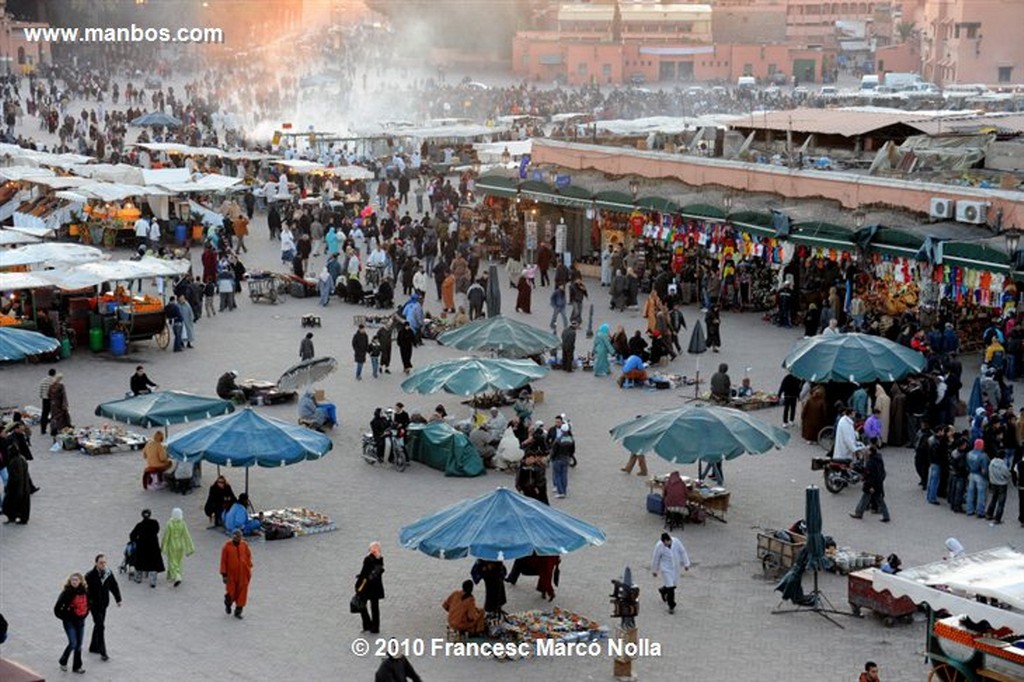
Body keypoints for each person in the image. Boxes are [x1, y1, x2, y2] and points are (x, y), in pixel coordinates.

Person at [84, 554, 121, 662]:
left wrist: (118, 599)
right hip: (94, 606)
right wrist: (89, 604)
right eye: (101, 562)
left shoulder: (108, 573)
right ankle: (102, 651)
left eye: (105, 562)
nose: (103, 564)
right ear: (96, 563)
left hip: (104, 604)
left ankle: (93, 647)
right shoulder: (89, 576)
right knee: (101, 626)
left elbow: (114, 586)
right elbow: (86, 592)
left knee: (98, 625)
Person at [54, 573, 90, 673]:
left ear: (81, 581)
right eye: (72, 580)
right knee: (73, 643)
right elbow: (57, 608)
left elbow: (88, 604)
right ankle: (63, 661)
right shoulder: (66, 593)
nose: (74, 581)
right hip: (69, 622)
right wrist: (65, 617)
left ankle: (77, 667)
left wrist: (85, 614)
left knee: (79, 645)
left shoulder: (85, 592)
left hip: (80, 621)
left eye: (76, 580)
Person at [651, 533, 690, 615]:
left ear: (669, 540)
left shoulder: (676, 542)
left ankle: (663, 590)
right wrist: (655, 570)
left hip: (675, 567)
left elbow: (683, 552)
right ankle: (671, 605)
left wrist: (686, 564)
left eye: (666, 543)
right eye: (664, 543)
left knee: (673, 585)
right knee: (670, 587)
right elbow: (656, 558)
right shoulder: (659, 546)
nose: (665, 544)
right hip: (666, 569)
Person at [849, 446, 890, 522]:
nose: (865, 452)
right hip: (878, 484)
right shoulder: (878, 460)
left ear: (870, 452)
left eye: (866, 451)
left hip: (872, 485)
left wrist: (870, 486)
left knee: (866, 498)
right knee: (878, 500)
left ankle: (859, 513)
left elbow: (871, 475)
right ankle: (886, 515)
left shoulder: (870, 463)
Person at [220, 530, 253, 619]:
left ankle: (238, 610)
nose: (238, 538)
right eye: (236, 536)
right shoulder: (227, 547)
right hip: (231, 575)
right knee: (231, 592)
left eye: (240, 536)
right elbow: (223, 561)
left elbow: (248, 556)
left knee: (242, 592)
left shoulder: (244, 545)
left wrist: (249, 566)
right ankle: (228, 603)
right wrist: (224, 574)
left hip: (243, 573)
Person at [129, 509, 164, 587]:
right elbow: (157, 530)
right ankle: (152, 581)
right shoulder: (155, 523)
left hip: (142, 547)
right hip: (153, 546)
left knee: (140, 562)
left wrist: (136, 540)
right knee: (153, 563)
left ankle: (138, 578)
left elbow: (132, 535)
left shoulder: (139, 525)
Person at [161, 508, 195, 587]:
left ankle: (177, 576)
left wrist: (163, 547)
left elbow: (166, 536)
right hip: (180, 545)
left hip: (172, 546)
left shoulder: (169, 523)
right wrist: (190, 547)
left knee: (172, 562)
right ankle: (170, 576)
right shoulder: (182, 523)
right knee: (179, 562)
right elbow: (187, 536)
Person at [356, 542, 385, 634]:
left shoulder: (368, 559)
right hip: (376, 587)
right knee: (375, 607)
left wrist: (358, 582)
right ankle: (375, 627)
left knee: (362, 604)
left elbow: (364, 572)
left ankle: (367, 624)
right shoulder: (380, 559)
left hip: (366, 586)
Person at [1, 445, 30, 524]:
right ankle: (21, 518)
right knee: (23, 504)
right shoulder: (21, 459)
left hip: (16, 488)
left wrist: (9, 487)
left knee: (8, 504)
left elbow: (15, 477)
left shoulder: (14, 461)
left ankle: (13, 517)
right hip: (23, 487)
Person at [965, 438, 989, 516]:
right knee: (981, 494)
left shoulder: (969, 453)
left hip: (971, 474)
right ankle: (980, 511)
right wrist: (987, 477)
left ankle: (969, 509)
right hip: (980, 476)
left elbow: (967, 465)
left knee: (970, 492)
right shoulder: (983, 456)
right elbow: (984, 469)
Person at [550, 423, 574, 498]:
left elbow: (554, 451)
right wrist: (569, 456)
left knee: (557, 475)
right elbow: (573, 450)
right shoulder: (571, 439)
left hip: (557, 459)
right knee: (564, 475)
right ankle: (564, 490)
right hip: (566, 458)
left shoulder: (558, 440)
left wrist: (552, 458)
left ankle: (560, 492)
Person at [986, 452, 1011, 524]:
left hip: (994, 483)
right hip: (1002, 484)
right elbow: (1006, 474)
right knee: (1001, 502)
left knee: (993, 499)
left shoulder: (992, 462)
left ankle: (989, 514)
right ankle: (997, 518)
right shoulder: (1002, 465)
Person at [39, 367, 56, 435]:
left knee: (44, 414)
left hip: (45, 399)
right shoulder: (54, 381)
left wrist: (42, 396)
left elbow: (40, 391)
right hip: (52, 400)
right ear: (54, 374)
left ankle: (43, 429)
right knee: (53, 415)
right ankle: (53, 430)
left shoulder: (43, 380)